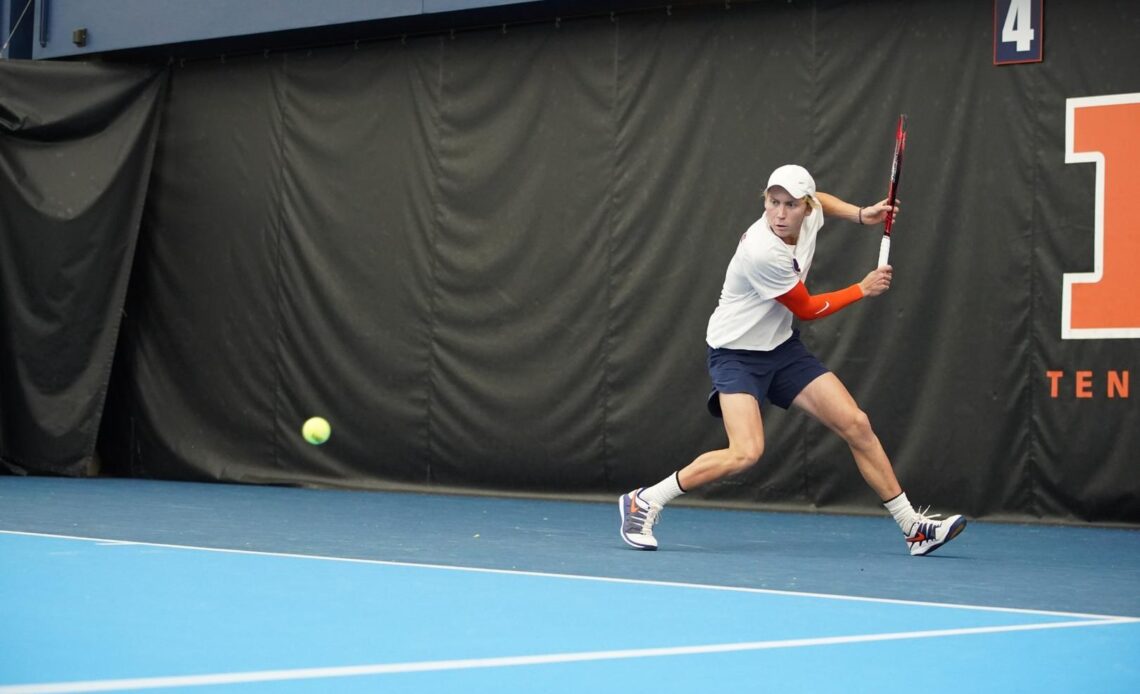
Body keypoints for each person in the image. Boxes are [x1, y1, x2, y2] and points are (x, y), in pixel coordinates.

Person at [619, 164, 965, 556]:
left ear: (805, 205)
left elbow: (824, 204)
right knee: (746, 452)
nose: (780, 214)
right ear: (765, 202)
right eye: (773, 202)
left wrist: (859, 213)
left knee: (856, 423)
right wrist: (861, 289)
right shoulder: (761, 251)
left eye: (790, 205)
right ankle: (645, 500)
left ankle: (913, 528)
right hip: (736, 354)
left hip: (780, 348)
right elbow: (808, 309)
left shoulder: (810, 211)